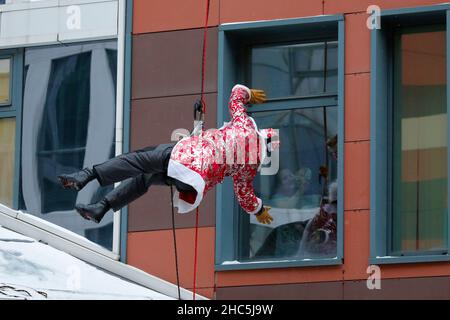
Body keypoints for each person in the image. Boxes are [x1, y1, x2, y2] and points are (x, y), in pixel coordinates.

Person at [58, 84, 279, 225]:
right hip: (192, 182)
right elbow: (245, 198)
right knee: (146, 178)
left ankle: (86, 175)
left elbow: (236, 94)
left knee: (137, 161)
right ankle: (101, 208)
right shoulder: (248, 168)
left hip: (186, 159)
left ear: (260, 132)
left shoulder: (244, 126)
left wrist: (249, 94)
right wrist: (259, 210)